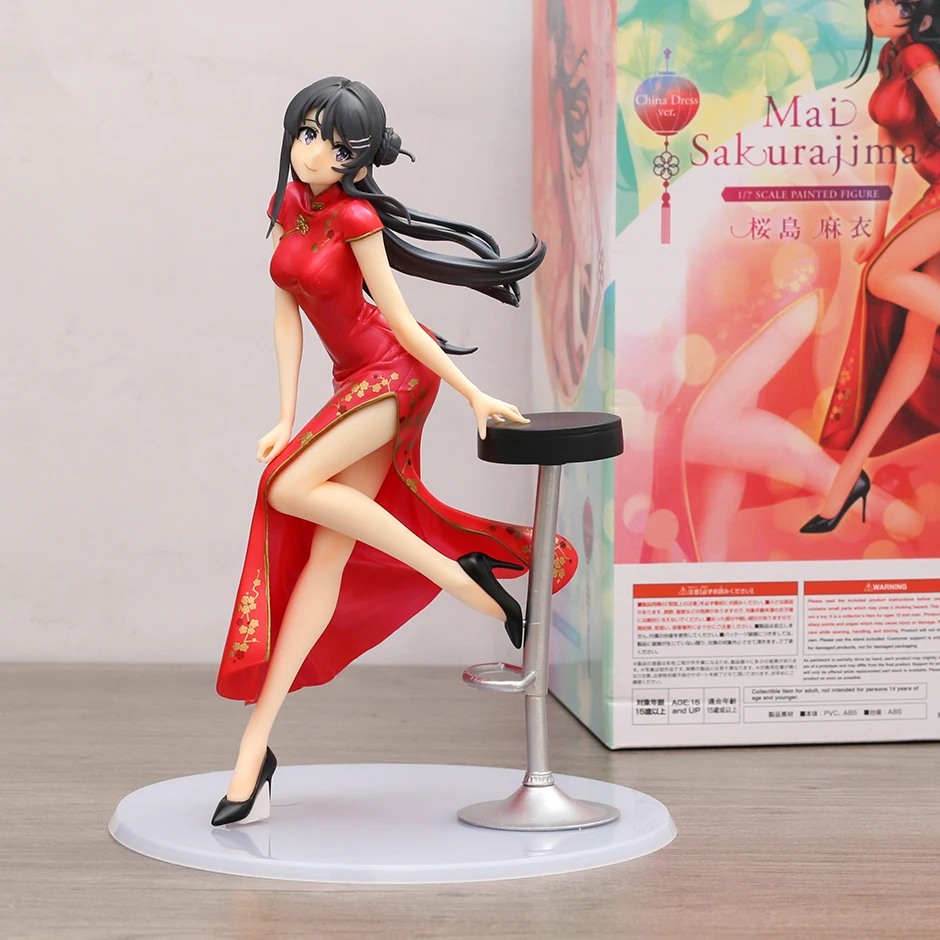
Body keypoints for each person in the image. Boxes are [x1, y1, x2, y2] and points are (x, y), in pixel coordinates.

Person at [211, 77, 578, 826]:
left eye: (336, 146)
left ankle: (455, 576)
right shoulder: (289, 207)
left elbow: (402, 321)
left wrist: (472, 393)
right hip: (351, 380)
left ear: (359, 158)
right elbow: (286, 314)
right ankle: (255, 750)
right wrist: (284, 415)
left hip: (396, 375)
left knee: (285, 489)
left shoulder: (355, 217)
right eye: (307, 134)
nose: (315, 153)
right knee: (325, 558)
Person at [805, 0, 940, 533]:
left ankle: (846, 478)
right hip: (932, 196)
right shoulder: (892, 56)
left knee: (882, 278)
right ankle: (847, 478)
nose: (881, 10)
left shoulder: (920, 56)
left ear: (921, 13)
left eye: (899, 3)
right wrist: (880, 227)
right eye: (879, 0)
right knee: (912, 340)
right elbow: (887, 143)